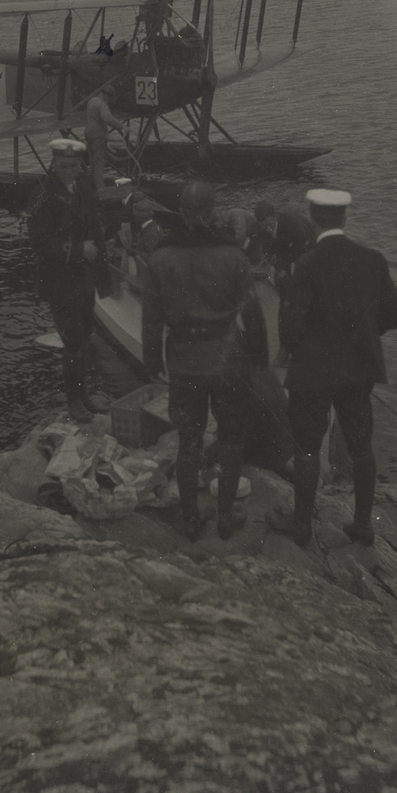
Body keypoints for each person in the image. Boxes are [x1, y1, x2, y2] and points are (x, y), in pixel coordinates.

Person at [273, 189, 397, 548]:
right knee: (362, 446)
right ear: (344, 219)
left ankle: (302, 525)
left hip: (314, 372)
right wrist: (363, 333)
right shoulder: (373, 259)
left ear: (313, 219)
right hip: (358, 369)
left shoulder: (308, 263)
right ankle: (363, 526)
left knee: (307, 447)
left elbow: (291, 327)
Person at [142, 183, 269, 542]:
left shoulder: (159, 258)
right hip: (229, 358)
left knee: (189, 441)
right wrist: (259, 357)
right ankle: (226, 517)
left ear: (180, 212)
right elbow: (254, 317)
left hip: (183, 361)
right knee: (230, 441)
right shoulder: (233, 257)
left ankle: (190, 519)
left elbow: (151, 320)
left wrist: (152, 360)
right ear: (214, 212)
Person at [26, 137, 111, 424]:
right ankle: (74, 401)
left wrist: (102, 265)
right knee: (72, 340)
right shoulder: (42, 194)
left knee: (85, 335)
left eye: (72, 165)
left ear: (79, 164)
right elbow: (40, 243)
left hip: (85, 277)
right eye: (62, 165)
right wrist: (77, 250)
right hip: (60, 281)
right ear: (53, 163)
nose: (67, 171)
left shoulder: (85, 185)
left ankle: (84, 395)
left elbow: (96, 224)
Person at [84, 84, 128, 190]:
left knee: (93, 159)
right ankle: (99, 187)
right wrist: (122, 126)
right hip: (97, 135)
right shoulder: (102, 105)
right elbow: (108, 118)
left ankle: (93, 183)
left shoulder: (92, 101)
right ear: (107, 96)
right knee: (99, 161)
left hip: (89, 132)